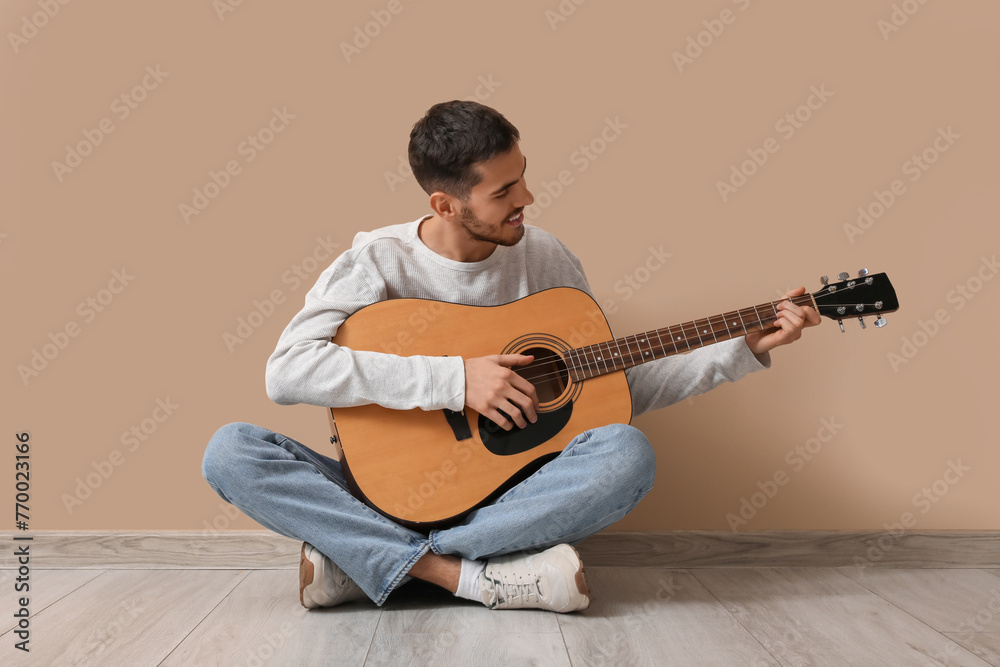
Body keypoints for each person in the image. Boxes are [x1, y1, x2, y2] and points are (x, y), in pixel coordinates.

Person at [201, 100, 820, 614]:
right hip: (381, 488)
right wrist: (456, 379)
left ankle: (367, 560)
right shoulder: (377, 261)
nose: (527, 196)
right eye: (504, 190)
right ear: (446, 204)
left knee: (628, 453)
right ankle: (462, 577)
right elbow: (288, 372)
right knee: (231, 450)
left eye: (522, 175)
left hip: (507, 498)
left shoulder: (545, 257)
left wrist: (740, 349)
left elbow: (608, 389)